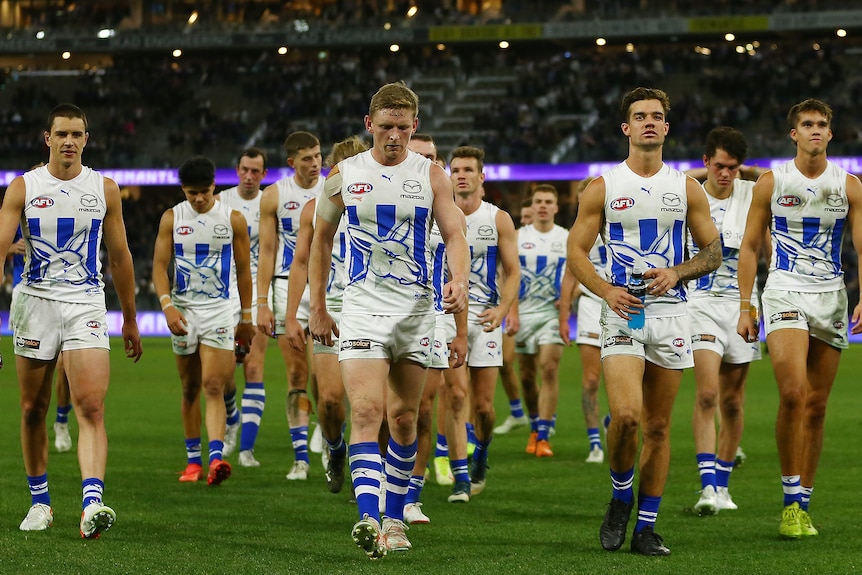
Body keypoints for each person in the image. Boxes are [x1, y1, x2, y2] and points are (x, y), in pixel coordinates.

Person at [308, 82, 469, 558]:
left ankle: (394, 519)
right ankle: (367, 519)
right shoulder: (343, 174)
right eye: (385, 127)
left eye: (402, 127)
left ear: (414, 126)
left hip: (418, 311)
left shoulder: (432, 176)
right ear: (368, 125)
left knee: (405, 419)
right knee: (364, 412)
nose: (394, 136)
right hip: (361, 308)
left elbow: (456, 235)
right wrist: (319, 306)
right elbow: (319, 240)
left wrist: (458, 278)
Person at [567, 87, 720, 556]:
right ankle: (619, 497)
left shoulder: (686, 187)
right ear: (626, 128)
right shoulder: (604, 186)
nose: (649, 122)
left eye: (656, 116)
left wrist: (677, 271)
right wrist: (606, 290)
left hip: (672, 314)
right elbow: (575, 250)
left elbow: (713, 251)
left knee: (657, 427)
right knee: (628, 416)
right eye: (640, 116)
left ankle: (646, 527)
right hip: (624, 312)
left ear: (666, 128)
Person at [0, 103, 143, 538]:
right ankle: (40, 503)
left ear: (86, 139)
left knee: (92, 406)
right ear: (47, 138)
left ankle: (92, 502)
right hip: (35, 303)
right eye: (61, 133)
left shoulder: (105, 188)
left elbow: (119, 257)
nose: (69, 141)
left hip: (85, 303)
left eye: (76, 134)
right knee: (32, 409)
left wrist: (131, 320)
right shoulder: (22, 188)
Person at [737, 98, 862, 539]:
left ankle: (804, 502)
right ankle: (789, 503)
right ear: (794, 133)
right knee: (792, 393)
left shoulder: (850, 185)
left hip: (831, 296)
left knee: (817, 405)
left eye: (821, 124)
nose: (814, 130)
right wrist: (745, 305)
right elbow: (750, 248)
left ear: (831, 134)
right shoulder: (772, 182)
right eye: (806, 124)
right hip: (784, 291)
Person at [152, 155, 255, 487]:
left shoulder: (232, 218)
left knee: (214, 384)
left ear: (215, 186)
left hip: (220, 311)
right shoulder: (171, 218)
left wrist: (247, 316)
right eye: (192, 192)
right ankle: (192, 461)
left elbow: (243, 271)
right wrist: (167, 306)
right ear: (183, 189)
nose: (198, 199)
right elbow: (158, 267)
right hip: (184, 311)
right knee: (189, 387)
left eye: (205, 192)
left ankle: (215, 459)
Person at [685, 127, 764, 515]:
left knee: (732, 401)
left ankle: (724, 483)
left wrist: (746, 170)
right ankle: (706, 486)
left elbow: (774, 177)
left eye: (733, 168)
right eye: (718, 166)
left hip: (741, 305)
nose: (726, 174)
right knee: (707, 395)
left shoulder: (752, 194)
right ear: (705, 163)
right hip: (699, 303)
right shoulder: (689, 194)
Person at [284, 134, 368, 496]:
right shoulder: (315, 208)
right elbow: (300, 263)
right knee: (331, 399)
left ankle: (369, 474)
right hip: (332, 310)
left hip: (371, 309)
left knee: (369, 402)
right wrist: (292, 316)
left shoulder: (380, 202)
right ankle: (336, 449)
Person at [401, 133, 467, 524]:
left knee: (421, 410)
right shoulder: (385, 203)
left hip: (434, 316)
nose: (428, 164)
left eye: (433, 158)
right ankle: (380, 483)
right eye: (420, 156)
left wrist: (460, 332)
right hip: (385, 312)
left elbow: (460, 278)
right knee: (381, 413)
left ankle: (411, 495)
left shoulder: (450, 214)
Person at [447, 145, 520, 498]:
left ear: (481, 176)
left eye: (467, 169)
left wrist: (504, 310)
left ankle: (482, 451)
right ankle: (460, 474)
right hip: (449, 316)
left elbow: (513, 271)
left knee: (484, 408)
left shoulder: (497, 219)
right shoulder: (439, 216)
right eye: (456, 169)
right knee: (456, 395)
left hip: (486, 317)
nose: (461, 175)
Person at [256, 131, 324, 481]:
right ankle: (301, 458)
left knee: (327, 379)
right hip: (288, 289)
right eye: (307, 158)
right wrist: (262, 302)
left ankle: (328, 436)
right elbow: (267, 251)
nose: (315, 163)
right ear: (291, 163)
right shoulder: (275, 196)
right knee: (297, 373)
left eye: (317, 156)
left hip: (330, 289)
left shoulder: (334, 189)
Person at [216, 147, 270, 467]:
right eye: (245, 170)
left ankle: (247, 449)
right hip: (225, 291)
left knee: (253, 366)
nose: (250, 176)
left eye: (256, 171)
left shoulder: (269, 203)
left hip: (260, 288)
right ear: (237, 170)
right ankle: (232, 417)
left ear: (264, 175)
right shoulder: (221, 202)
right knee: (223, 372)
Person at [515, 184, 568, 457]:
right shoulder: (516, 237)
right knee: (526, 376)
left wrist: (569, 299)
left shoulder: (567, 238)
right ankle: (535, 425)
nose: (544, 205)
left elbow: (579, 274)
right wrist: (511, 312)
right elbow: (507, 276)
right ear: (532, 206)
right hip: (524, 313)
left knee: (548, 369)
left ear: (556, 207)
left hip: (552, 314)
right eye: (539, 201)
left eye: (549, 201)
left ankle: (544, 435)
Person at [559, 178, 608, 464]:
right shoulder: (578, 234)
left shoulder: (623, 223)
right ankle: (594, 444)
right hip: (591, 306)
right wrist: (565, 315)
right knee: (591, 380)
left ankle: (616, 418)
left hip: (626, 306)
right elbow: (570, 275)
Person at [494, 197, 533, 435]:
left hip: (537, 309)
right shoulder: (514, 238)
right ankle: (518, 412)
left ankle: (542, 419)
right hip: (509, 306)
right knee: (507, 362)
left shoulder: (552, 241)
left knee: (538, 368)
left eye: (531, 217)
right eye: (525, 218)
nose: (528, 222)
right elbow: (506, 273)